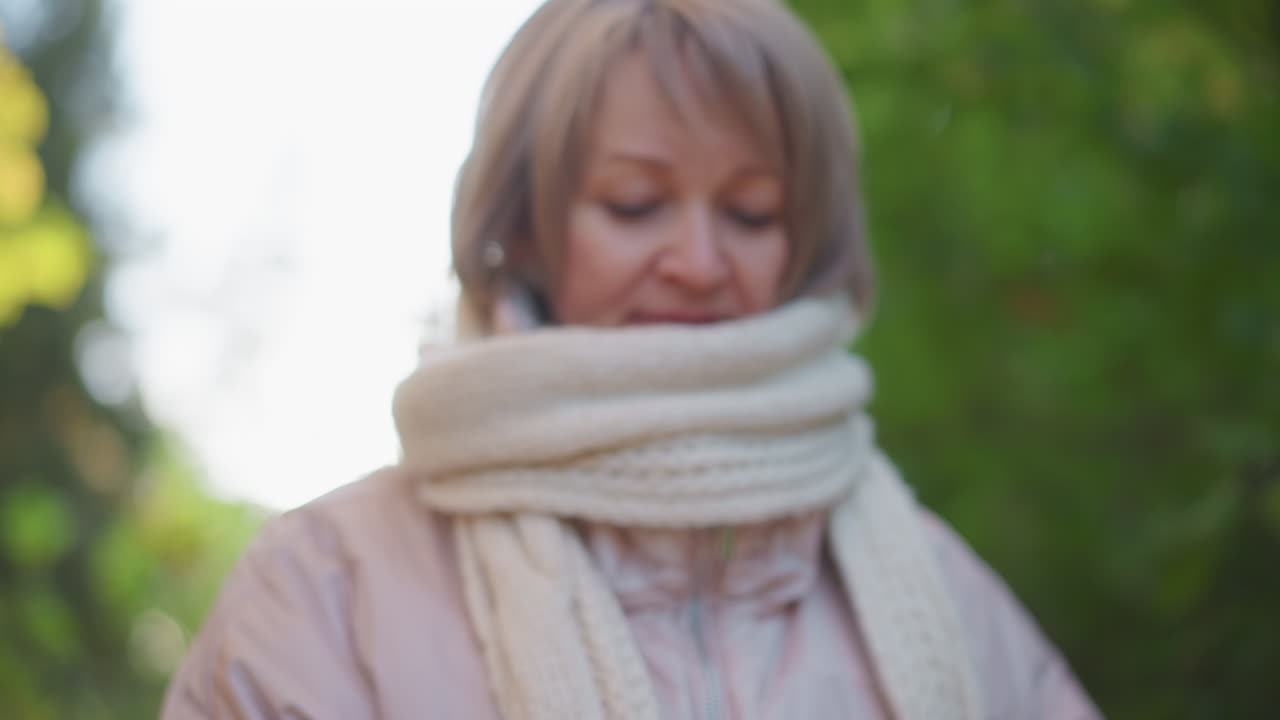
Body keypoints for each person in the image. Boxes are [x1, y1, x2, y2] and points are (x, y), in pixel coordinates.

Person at [162, 1, 1101, 718]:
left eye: (750, 213)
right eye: (635, 203)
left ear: (802, 241)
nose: (698, 263)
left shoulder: (944, 588)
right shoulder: (322, 593)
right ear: (525, 227)